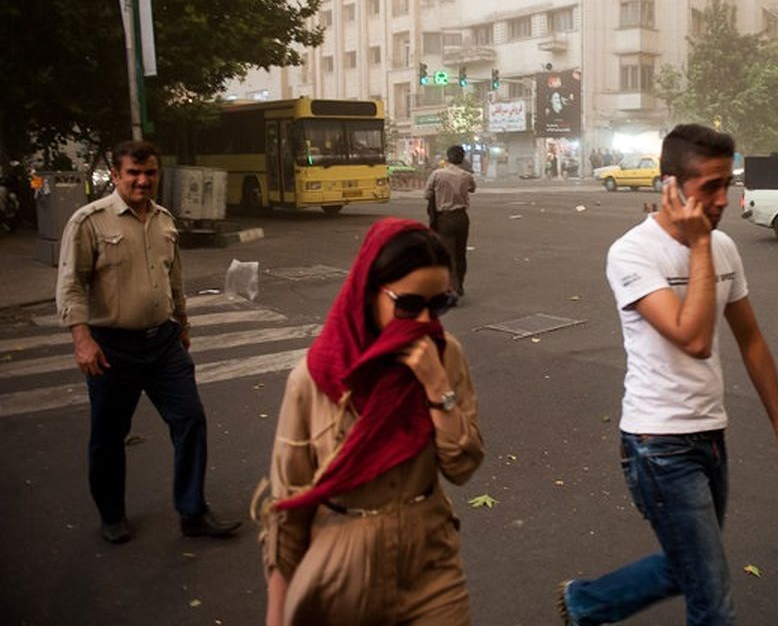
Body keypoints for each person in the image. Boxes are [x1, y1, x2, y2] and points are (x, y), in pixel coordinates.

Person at [557, 124, 778, 626]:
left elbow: (751, 339)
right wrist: (698, 247)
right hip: (658, 445)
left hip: (710, 435)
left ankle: (587, 602)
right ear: (669, 186)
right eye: (709, 187)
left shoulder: (724, 249)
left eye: (728, 184)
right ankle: (586, 603)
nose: (722, 199)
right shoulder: (632, 252)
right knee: (712, 601)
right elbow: (692, 339)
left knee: (690, 566)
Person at [257, 220, 483, 625]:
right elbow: (287, 506)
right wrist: (276, 615)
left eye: (441, 305)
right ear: (369, 292)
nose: (425, 321)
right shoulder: (312, 379)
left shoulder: (446, 356)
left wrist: (437, 389)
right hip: (340, 568)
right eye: (410, 306)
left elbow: (462, 464)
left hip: (430, 561)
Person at [55, 140, 241, 544]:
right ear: (117, 175)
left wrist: (184, 323)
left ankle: (192, 511)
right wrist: (82, 339)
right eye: (133, 174)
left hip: (164, 343)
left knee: (189, 419)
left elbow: (174, 276)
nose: (143, 181)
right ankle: (112, 514)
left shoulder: (163, 220)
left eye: (150, 173)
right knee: (108, 434)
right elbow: (71, 286)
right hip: (111, 346)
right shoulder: (89, 221)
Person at [425, 145, 475, 297]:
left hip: (444, 218)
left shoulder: (437, 174)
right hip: (461, 218)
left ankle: (451, 287)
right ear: (462, 158)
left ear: (448, 157)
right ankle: (459, 283)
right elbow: (472, 189)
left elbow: (427, 194)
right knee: (461, 253)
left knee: (447, 254)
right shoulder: (466, 175)